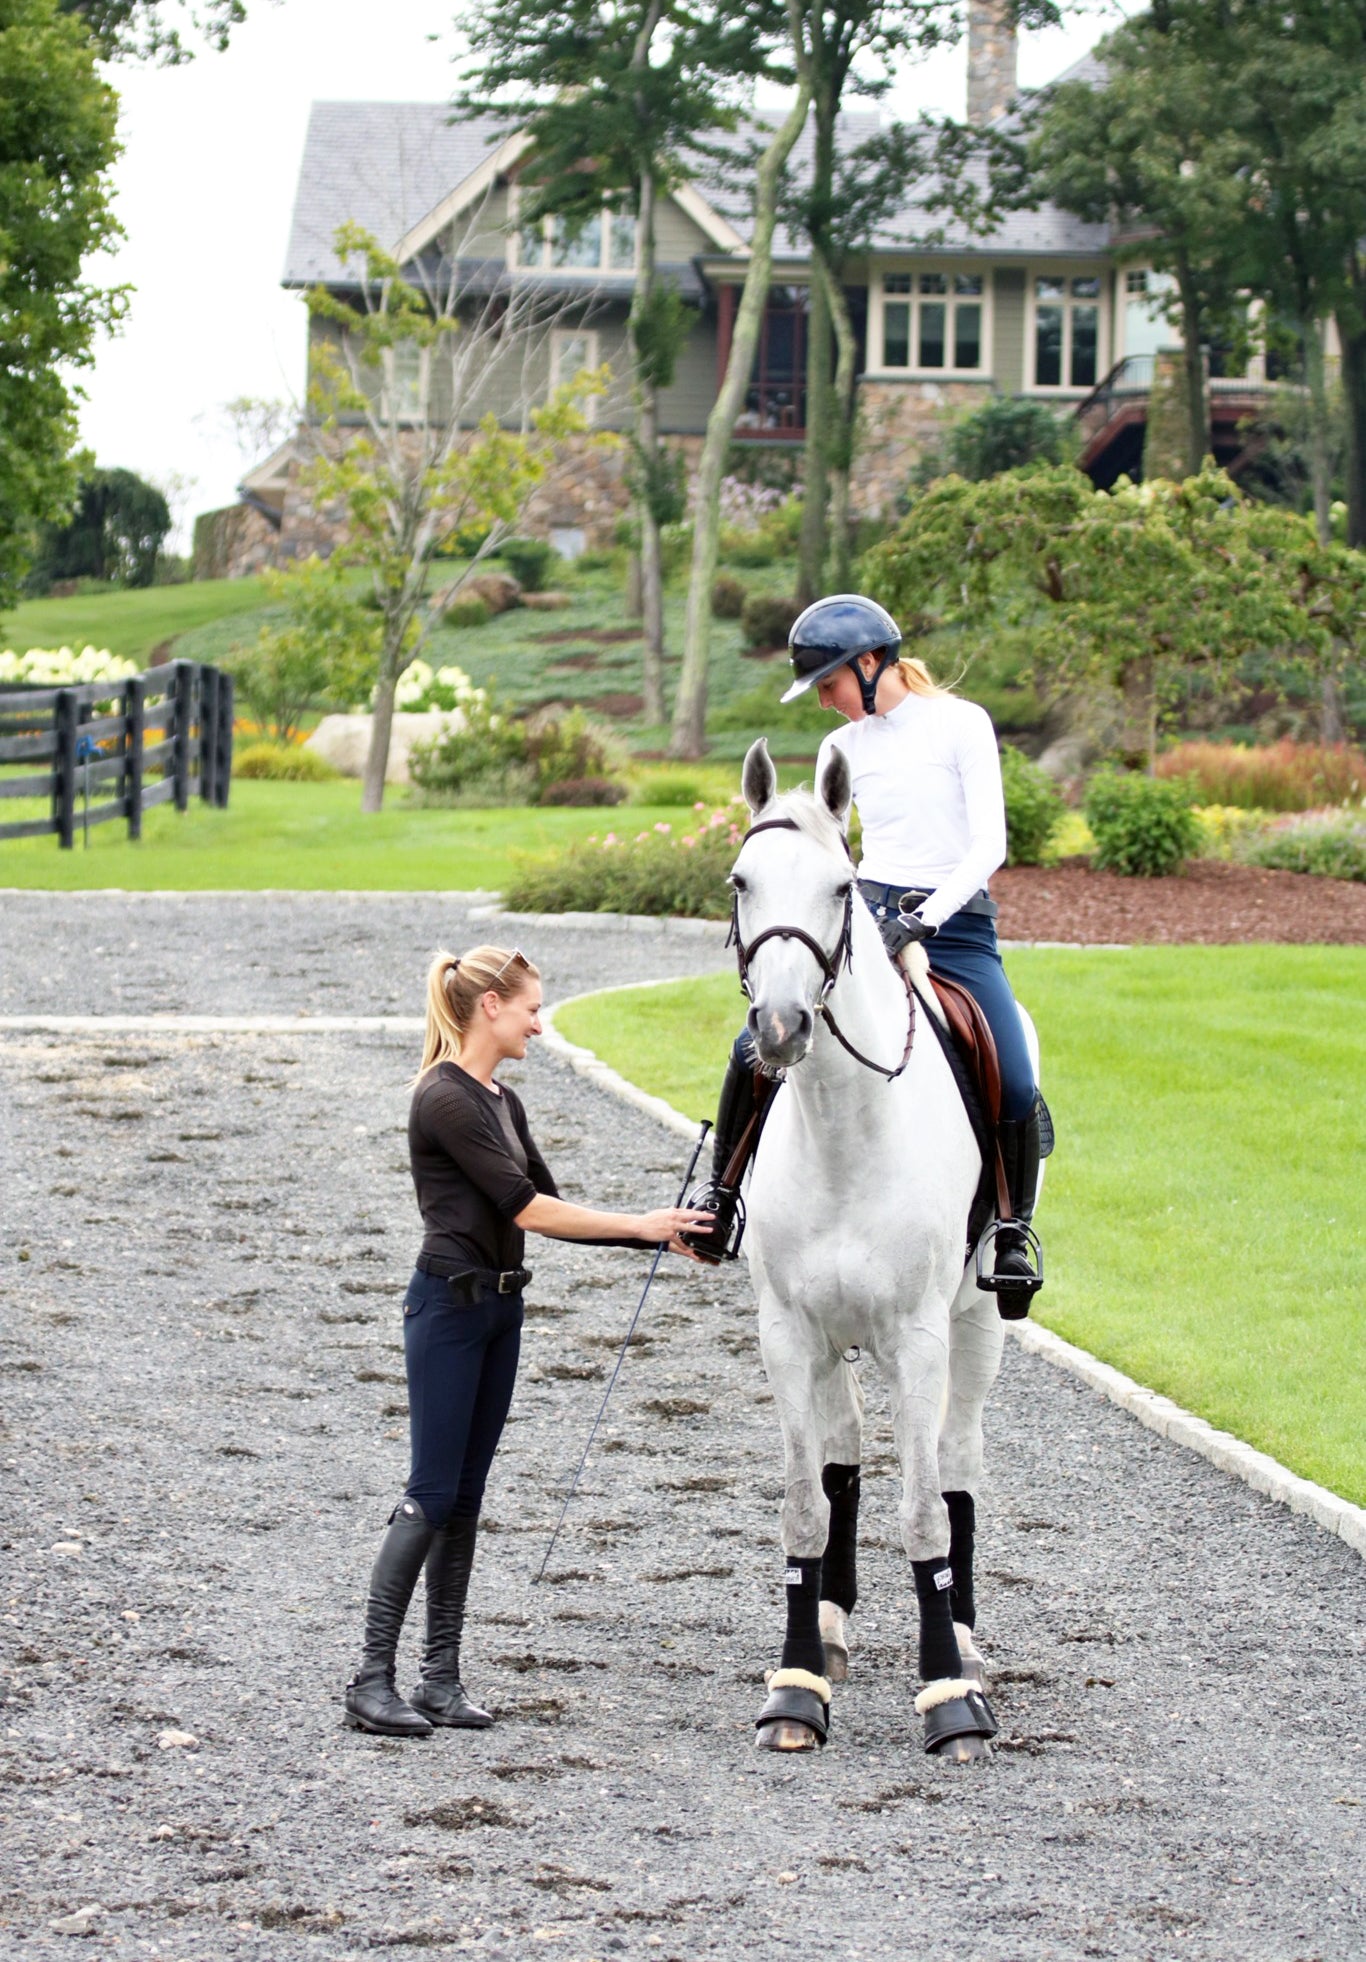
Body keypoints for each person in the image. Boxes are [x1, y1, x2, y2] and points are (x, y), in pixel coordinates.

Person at [344, 944, 709, 1738]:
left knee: (466, 1498)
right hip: (446, 1309)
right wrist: (639, 1224)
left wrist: (657, 1235)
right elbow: (525, 1210)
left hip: (499, 1312)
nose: (540, 1025)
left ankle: (439, 1679)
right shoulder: (443, 1098)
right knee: (432, 1493)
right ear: (490, 1008)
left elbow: (548, 1198)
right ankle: (370, 1680)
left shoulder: (502, 1101)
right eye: (532, 1009)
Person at [681, 594, 1048, 1296]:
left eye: (829, 685)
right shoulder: (840, 748)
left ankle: (1009, 1227)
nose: (824, 703)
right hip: (868, 922)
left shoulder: (960, 724)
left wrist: (927, 918)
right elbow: (830, 858)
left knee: (1016, 1074)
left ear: (871, 662)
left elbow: (990, 844)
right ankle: (723, 1198)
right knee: (752, 1044)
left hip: (958, 926)